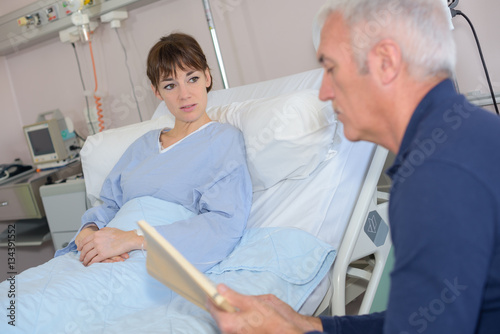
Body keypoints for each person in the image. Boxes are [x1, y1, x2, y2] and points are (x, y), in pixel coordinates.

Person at [208, 0, 500, 333]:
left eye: (330, 68)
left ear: (386, 62)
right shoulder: (468, 136)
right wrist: (309, 325)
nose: (323, 92)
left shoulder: (434, 178)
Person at [56, 32, 253, 269]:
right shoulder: (143, 145)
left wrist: (133, 240)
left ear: (208, 78)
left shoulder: (224, 140)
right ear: (157, 92)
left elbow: (223, 224)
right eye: (170, 85)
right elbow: (109, 204)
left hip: (153, 257)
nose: (184, 94)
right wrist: (89, 231)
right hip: (102, 252)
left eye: (192, 78)